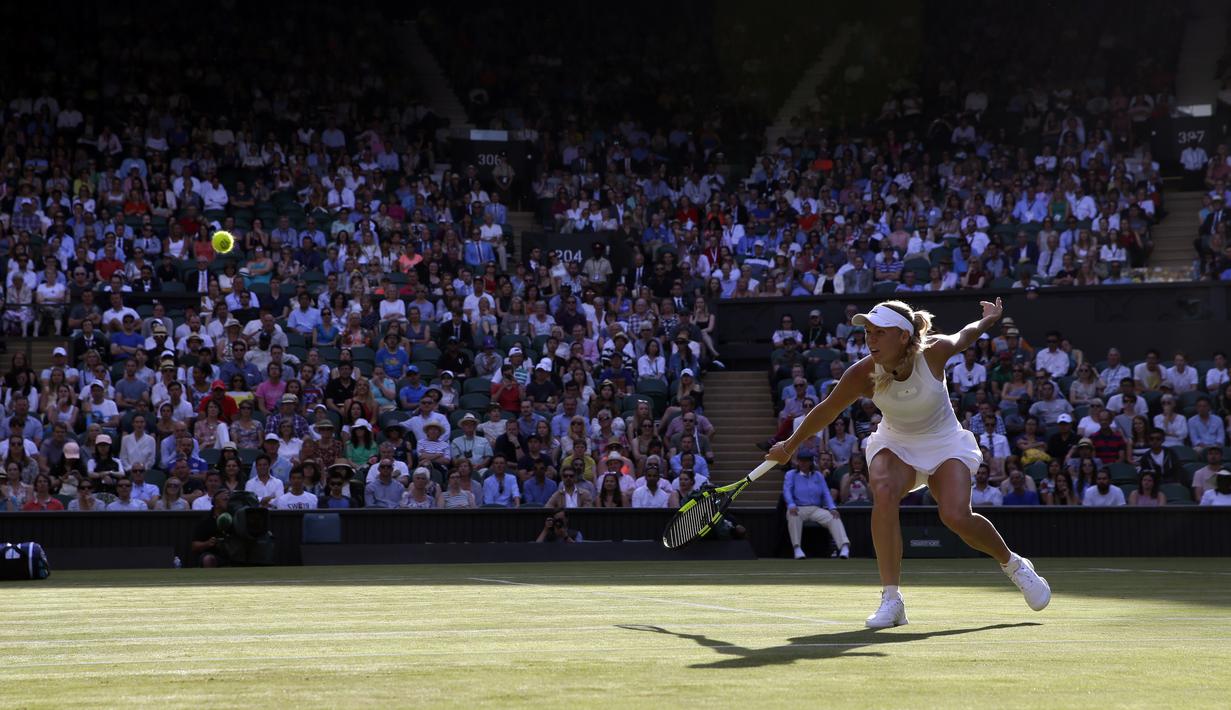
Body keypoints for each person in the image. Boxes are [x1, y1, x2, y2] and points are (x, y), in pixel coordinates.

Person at [766, 298, 1050, 629]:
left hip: (945, 442)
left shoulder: (933, 352)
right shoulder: (862, 374)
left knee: (956, 516)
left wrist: (988, 320)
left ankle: (1014, 565)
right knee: (883, 490)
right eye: (868, 333)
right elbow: (828, 410)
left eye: (879, 333)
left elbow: (965, 335)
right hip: (896, 443)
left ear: (903, 336)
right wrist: (790, 445)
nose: (870, 340)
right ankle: (892, 599)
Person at [783, 451, 851, 559]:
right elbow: (787, 491)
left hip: (816, 509)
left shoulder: (818, 475)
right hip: (799, 508)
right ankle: (797, 548)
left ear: (811, 462)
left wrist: (832, 508)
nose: (803, 463)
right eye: (801, 461)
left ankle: (844, 547)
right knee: (792, 515)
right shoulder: (790, 474)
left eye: (806, 461)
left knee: (833, 517)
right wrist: (791, 504)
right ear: (798, 462)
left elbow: (825, 493)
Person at [191, 488, 231, 567]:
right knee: (208, 559)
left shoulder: (236, 517)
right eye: (225, 499)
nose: (229, 502)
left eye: (230, 499)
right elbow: (194, 546)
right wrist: (207, 543)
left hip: (234, 553)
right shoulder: (206, 521)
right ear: (216, 503)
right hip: (214, 554)